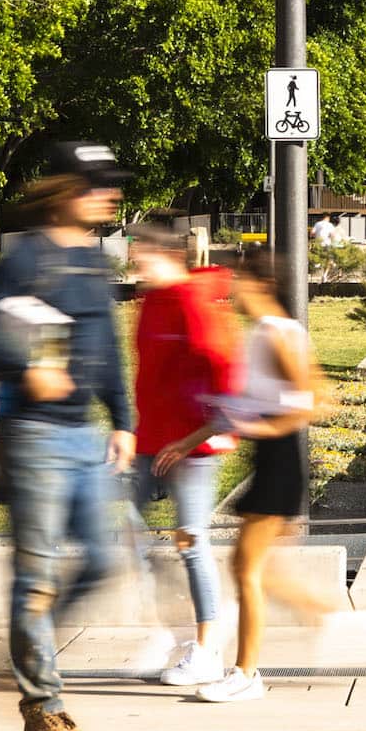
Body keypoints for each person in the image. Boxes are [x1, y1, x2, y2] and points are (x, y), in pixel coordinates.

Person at [0, 142, 135, 731]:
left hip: (84, 433)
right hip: (33, 434)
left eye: (111, 184)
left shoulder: (92, 258)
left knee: (101, 560)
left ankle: (22, 642)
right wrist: (26, 369)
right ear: (64, 190)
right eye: (96, 184)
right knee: (35, 574)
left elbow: (107, 346)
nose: (108, 193)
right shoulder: (26, 257)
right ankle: (43, 705)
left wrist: (123, 419)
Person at [157, 251, 348, 704]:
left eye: (238, 280)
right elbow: (238, 408)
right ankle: (335, 624)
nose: (230, 290)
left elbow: (318, 400)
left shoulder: (280, 333)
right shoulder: (262, 333)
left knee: (247, 569)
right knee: (257, 571)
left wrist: (266, 426)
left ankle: (246, 673)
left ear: (258, 284)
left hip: (281, 459)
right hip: (268, 458)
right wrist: (189, 441)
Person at [126, 216, 240, 688]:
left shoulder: (194, 303)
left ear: (166, 255)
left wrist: (187, 441)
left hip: (193, 447)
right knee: (137, 544)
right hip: (150, 441)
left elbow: (230, 385)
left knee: (192, 542)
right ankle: (181, 631)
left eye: (141, 255)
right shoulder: (151, 302)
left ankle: (207, 649)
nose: (134, 263)